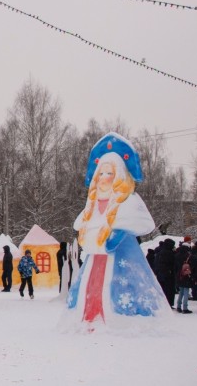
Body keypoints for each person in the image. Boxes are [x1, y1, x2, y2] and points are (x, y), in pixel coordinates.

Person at [66, 133, 169, 326]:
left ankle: (128, 321)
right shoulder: (93, 206)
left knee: (119, 293)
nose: (104, 179)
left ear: (119, 175)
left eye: (109, 173)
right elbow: (79, 224)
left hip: (123, 258)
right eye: (101, 174)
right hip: (95, 260)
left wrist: (118, 232)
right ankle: (86, 317)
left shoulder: (128, 202)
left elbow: (145, 223)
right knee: (91, 290)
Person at [156, 238, 176, 308]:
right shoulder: (169, 253)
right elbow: (171, 263)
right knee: (169, 290)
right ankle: (168, 303)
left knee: (163, 289)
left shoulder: (160, 252)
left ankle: (164, 303)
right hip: (168, 275)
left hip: (162, 274)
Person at [175, 245, 193, 314]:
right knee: (186, 292)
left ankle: (178, 306)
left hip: (179, 276)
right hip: (186, 276)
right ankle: (185, 308)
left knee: (181, 292)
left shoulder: (176, 256)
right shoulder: (188, 256)